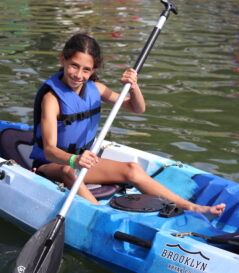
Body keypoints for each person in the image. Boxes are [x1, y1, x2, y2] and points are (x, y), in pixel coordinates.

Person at [29, 33, 225, 216]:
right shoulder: (51, 99)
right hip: (52, 165)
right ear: (62, 59)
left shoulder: (96, 88)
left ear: (93, 70)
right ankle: (103, 216)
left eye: (86, 69)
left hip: (83, 162)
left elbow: (136, 108)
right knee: (68, 171)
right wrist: (74, 160)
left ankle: (192, 207)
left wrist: (134, 88)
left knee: (132, 168)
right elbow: (49, 150)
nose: (78, 74)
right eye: (74, 65)